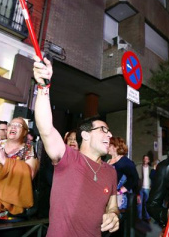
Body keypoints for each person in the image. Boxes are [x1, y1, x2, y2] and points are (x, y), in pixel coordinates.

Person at [33, 56, 119, 236]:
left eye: (109, 131)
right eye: (103, 129)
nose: (109, 134)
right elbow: (46, 129)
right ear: (86, 135)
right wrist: (43, 87)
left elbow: (113, 206)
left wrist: (113, 214)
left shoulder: (111, 172)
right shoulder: (68, 158)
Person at [107, 136, 139, 237]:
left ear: (116, 147)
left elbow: (134, 179)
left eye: (110, 144)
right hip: (108, 200)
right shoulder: (108, 161)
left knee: (116, 228)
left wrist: (120, 191)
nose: (107, 146)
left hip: (119, 201)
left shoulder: (125, 162)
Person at [137, 154, 152, 222]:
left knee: (146, 204)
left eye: (147, 159)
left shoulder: (151, 169)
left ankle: (147, 217)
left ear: (148, 160)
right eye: (144, 158)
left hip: (147, 188)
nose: (145, 160)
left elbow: (153, 178)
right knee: (140, 204)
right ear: (143, 159)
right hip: (141, 188)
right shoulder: (139, 167)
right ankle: (139, 218)